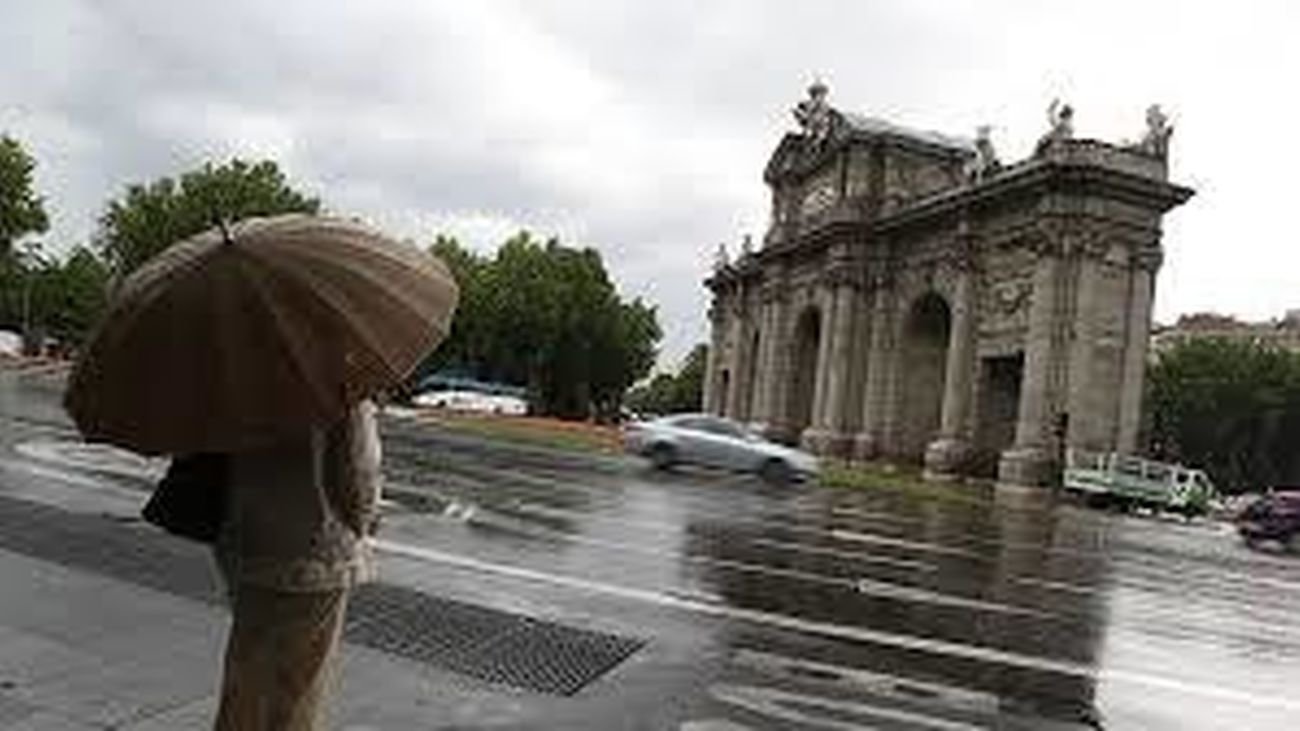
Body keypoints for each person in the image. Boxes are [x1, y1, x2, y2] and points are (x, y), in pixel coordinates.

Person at [211, 398, 382, 731]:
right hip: (316, 549)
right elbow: (359, 471)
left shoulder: (239, 381)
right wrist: (367, 521)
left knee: (249, 673)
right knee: (298, 686)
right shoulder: (337, 387)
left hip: (247, 536)